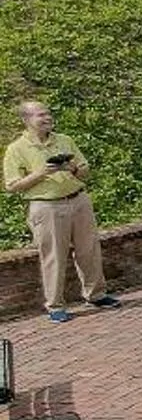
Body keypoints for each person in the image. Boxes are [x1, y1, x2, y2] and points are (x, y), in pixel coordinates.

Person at [6, 100, 123, 324]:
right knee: (54, 257)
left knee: (89, 250)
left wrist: (73, 168)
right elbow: (12, 186)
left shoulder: (64, 140)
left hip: (78, 200)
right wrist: (40, 173)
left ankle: (96, 294)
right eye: (41, 115)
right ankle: (55, 305)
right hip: (46, 206)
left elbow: (85, 171)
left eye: (48, 113)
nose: (47, 118)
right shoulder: (17, 149)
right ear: (26, 120)